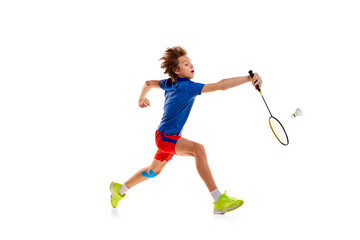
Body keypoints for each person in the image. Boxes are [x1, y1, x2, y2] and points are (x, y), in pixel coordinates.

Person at [110, 46, 262, 214]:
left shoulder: (169, 83)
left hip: (165, 136)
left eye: (190, 63)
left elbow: (148, 83)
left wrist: (141, 99)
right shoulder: (188, 87)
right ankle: (219, 200)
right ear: (177, 70)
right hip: (166, 137)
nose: (191, 65)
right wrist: (248, 79)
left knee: (153, 171)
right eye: (186, 63)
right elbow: (220, 85)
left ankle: (119, 190)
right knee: (198, 149)